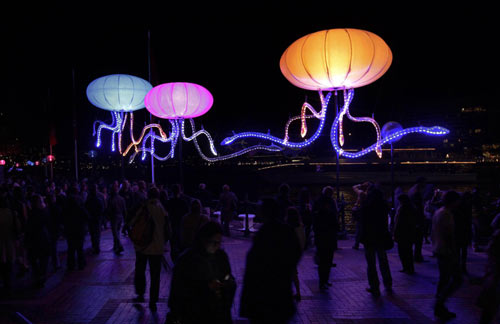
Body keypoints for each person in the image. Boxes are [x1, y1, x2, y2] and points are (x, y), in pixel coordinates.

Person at [240, 197, 302, 324]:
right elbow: (296, 252)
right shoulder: (286, 231)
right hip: (281, 292)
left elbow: (253, 265)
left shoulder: (263, 233)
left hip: (262, 295)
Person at [167, 221, 236, 324]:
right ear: (203, 240)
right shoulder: (187, 260)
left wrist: (227, 284)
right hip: (195, 315)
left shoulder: (221, 256)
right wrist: (206, 287)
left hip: (218, 314)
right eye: (214, 242)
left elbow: (229, 277)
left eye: (219, 243)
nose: (217, 246)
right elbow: (178, 292)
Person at [130, 187, 168, 312]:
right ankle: (153, 300)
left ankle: (140, 293)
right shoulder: (162, 210)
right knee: (155, 275)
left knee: (140, 270)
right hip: (157, 247)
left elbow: (133, 222)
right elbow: (168, 230)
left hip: (142, 246)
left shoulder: (144, 207)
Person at [431, 190, 462, 320]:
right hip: (446, 251)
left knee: (444, 279)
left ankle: (439, 304)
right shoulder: (446, 214)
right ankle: (440, 303)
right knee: (455, 279)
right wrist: (454, 252)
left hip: (439, 249)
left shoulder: (438, 212)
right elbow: (449, 235)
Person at [360, 186, 392, 297]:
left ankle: (374, 286)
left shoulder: (366, 206)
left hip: (369, 238)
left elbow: (362, 221)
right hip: (381, 237)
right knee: (383, 261)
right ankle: (388, 284)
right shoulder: (384, 206)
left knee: (371, 263)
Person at [312, 186, 338, 291]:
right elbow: (334, 215)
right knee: (327, 260)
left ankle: (323, 281)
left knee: (323, 260)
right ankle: (324, 281)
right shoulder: (330, 202)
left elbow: (314, 216)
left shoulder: (318, 202)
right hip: (328, 235)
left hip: (322, 234)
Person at [25, 194, 51, 287]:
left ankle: (37, 277)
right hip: (43, 239)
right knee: (43, 260)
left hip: (34, 240)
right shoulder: (44, 212)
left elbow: (28, 228)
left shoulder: (31, 213)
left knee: (35, 261)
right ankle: (41, 277)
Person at [477, 225, 500, 323]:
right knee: (490, 308)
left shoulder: (497, 235)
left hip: (493, 276)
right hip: (495, 277)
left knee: (489, 310)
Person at [63, 186, 89, 271]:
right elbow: (86, 215)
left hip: (70, 228)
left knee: (71, 248)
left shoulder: (67, 202)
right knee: (79, 247)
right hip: (79, 228)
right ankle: (81, 264)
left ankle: (71, 265)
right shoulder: (80, 202)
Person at [0, 194, 20, 293]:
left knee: (2, 262)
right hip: (9, 240)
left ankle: (4, 281)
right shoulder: (12, 213)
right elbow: (18, 227)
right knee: (9, 262)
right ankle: (9, 282)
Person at [393, 194, 417, 274]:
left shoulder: (403, 209)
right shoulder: (411, 208)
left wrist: (395, 233)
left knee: (403, 252)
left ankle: (406, 267)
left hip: (402, 233)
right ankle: (409, 268)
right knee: (408, 251)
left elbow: (399, 222)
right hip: (409, 233)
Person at [166, 184, 190, 262]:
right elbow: (187, 214)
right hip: (181, 225)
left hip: (172, 224)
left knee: (173, 244)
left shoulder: (169, 202)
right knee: (181, 244)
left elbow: (166, 214)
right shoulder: (183, 202)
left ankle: (174, 260)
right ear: (180, 191)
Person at [286, 206, 305, 301]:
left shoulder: (287, 227)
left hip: (288, 252)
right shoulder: (300, 226)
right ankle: (298, 292)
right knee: (294, 274)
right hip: (296, 253)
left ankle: (289, 292)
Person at [408, 177, 427, 262]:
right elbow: (418, 207)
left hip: (413, 219)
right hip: (417, 220)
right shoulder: (417, 192)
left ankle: (415, 256)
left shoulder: (412, 190)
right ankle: (417, 256)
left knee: (414, 239)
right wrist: (420, 220)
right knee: (418, 239)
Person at [455, 191, 473, 274]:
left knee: (458, 250)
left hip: (458, 230)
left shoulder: (457, 207)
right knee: (463, 250)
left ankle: (458, 266)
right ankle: (463, 266)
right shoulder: (467, 206)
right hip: (464, 230)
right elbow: (468, 220)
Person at [85, 184, 105, 254]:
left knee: (93, 233)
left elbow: (86, 207)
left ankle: (95, 246)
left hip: (92, 218)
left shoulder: (89, 198)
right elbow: (103, 208)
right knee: (97, 233)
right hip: (97, 218)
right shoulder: (100, 197)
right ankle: (96, 246)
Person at [108, 183, 127, 255]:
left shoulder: (111, 199)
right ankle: (116, 246)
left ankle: (119, 246)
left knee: (115, 233)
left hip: (114, 217)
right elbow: (124, 210)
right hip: (120, 217)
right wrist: (125, 219)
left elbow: (109, 209)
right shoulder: (121, 199)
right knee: (117, 232)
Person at [352, 182, 371, 250]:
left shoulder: (361, 193)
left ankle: (356, 244)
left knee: (358, 229)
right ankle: (367, 244)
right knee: (366, 230)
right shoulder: (369, 194)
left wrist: (360, 185)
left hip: (360, 213)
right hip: (367, 214)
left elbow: (354, 187)